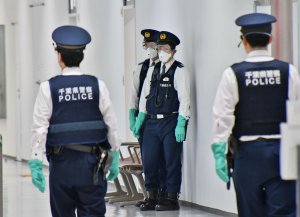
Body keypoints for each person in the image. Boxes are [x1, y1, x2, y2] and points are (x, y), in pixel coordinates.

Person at [211, 13, 299, 217]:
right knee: (284, 211)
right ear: (270, 39)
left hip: (247, 154)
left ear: (244, 41)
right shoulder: (289, 71)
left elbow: (222, 118)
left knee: (250, 211)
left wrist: (219, 152)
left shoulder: (233, 74)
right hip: (282, 153)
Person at [28, 25, 120, 217]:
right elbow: (111, 123)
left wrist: (36, 161)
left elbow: (39, 128)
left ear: (59, 56)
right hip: (92, 166)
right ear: (82, 56)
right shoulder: (97, 85)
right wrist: (115, 155)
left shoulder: (48, 88)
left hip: (61, 165)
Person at [133, 31, 190, 211]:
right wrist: (140, 117)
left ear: (173, 51)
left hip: (170, 121)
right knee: (149, 161)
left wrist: (182, 122)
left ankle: (171, 197)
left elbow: (185, 99)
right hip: (151, 123)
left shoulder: (180, 70)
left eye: (165, 48)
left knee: (171, 161)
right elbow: (144, 96)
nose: (161, 51)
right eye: (159, 48)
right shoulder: (153, 69)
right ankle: (151, 196)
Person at [128, 28, 167, 208]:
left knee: (163, 161)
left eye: (153, 45)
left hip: (163, 120)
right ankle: (150, 195)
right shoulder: (142, 68)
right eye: (147, 45)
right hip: (144, 122)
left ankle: (162, 195)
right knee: (149, 160)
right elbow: (134, 95)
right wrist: (132, 118)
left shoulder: (168, 67)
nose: (150, 48)